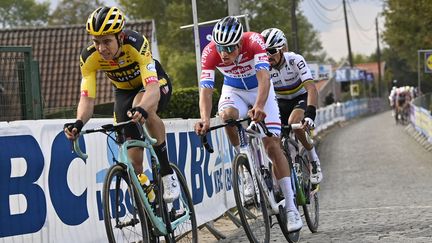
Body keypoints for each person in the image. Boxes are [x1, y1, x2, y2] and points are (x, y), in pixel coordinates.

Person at [194, 16, 302, 232]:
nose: (224, 53)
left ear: (240, 43)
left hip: (260, 91)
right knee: (228, 117)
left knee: (272, 145)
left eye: (230, 48)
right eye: (221, 47)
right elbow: (205, 90)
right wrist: (204, 118)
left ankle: (291, 207)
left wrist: (260, 105)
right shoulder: (210, 52)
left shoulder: (255, 41)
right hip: (234, 91)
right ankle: (245, 170)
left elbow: (264, 78)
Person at [63, 6, 179, 203]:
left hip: (154, 83)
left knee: (142, 105)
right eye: (96, 42)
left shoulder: (136, 44)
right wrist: (78, 122)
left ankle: (167, 172)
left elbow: (151, 89)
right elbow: (87, 99)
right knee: (133, 163)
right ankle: (152, 203)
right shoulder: (89, 58)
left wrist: (143, 107)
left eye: (107, 41)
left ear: (120, 36)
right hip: (123, 91)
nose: (101, 48)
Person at [261, 28, 323, 184]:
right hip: (279, 102)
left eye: (272, 51)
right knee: (273, 142)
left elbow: (311, 89)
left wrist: (310, 114)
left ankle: (313, 158)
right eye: (264, 52)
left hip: (299, 98)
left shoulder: (295, 60)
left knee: (294, 123)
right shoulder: (263, 67)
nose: (268, 56)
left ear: (282, 49)